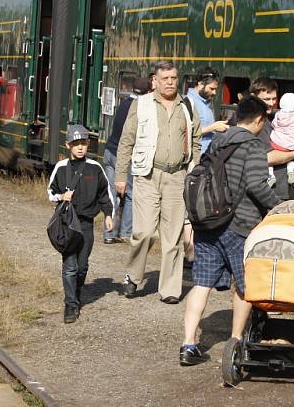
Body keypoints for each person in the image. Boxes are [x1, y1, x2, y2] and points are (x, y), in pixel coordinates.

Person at [180, 96, 281, 366]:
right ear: (259, 120)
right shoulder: (255, 147)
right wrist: (280, 206)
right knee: (245, 284)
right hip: (239, 225)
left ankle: (188, 344)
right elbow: (257, 186)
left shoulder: (218, 141)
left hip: (208, 223)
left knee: (202, 283)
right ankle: (237, 342)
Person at [115, 60, 202, 304]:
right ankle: (133, 276)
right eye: (165, 79)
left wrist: (193, 168)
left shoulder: (187, 105)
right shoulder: (140, 104)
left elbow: (195, 138)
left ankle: (170, 289)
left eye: (174, 78)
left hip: (177, 176)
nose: (170, 83)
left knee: (173, 236)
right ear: (155, 80)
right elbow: (126, 141)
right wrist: (120, 175)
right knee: (143, 232)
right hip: (147, 175)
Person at [48, 125, 113, 323]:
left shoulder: (95, 167)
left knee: (82, 266)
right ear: (68, 145)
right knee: (70, 266)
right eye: (76, 144)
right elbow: (50, 192)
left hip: (86, 224)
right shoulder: (61, 168)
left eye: (83, 143)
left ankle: (76, 291)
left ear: (88, 145)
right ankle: (70, 304)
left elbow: (105, 194)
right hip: (68, 224)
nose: (80, 147)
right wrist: (61, 196)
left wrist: (109, 215)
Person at [184, 67, 229, 264]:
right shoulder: (190, 102)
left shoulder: (206, 103)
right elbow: (186, 131)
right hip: (194, 161)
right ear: (200, 84)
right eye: (211, 88)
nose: (214, 92)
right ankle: (190, 254)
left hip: (205, 160)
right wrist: (214, 127)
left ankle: (194, 252)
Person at [102, 77, 150, 245]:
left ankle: (108, 234)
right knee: (130, 194)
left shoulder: (124, 103)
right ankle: (125, 232)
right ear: (147, 92)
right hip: (123, 156)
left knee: (111, 194)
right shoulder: (139, 108)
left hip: (109, 151)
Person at [241, 78, 294, 200]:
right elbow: (267, 157)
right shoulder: (256, 124)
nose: (271, 103)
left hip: (280, 188)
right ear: (254, 97)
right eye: (267, 99)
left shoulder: (274, 118)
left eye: (274, 99)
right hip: (268, 192)